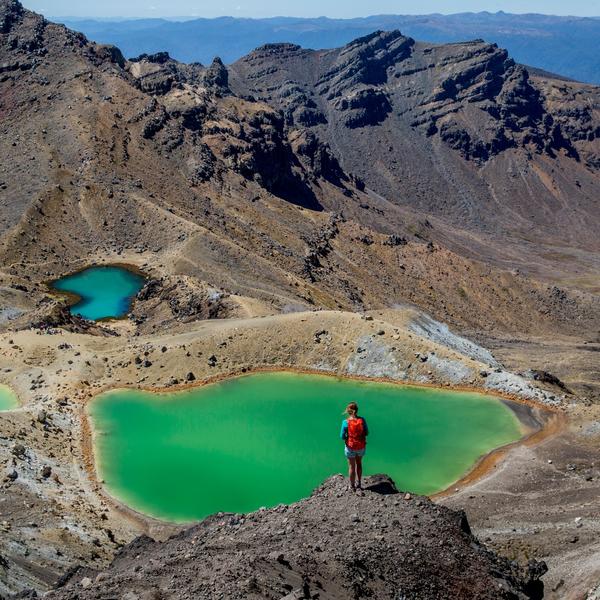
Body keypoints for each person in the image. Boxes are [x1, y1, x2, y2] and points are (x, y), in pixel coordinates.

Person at [340, 402, 369, 492]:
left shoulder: (345, 422)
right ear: (357, 410)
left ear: (348, 411)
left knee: (351, 466)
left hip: (350, 447)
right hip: (361, 446)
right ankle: (359, 483)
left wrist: (347, 438)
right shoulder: (362, 420)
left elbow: (341, 436)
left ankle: (352, 486)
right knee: (359, 463)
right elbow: (367, 433)